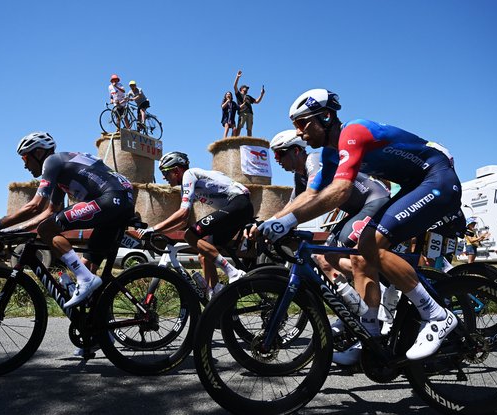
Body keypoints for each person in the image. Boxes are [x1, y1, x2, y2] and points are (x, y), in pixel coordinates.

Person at [250, 88, 462, 362]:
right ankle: (370, 337)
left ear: (325, 117)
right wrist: (274, 221)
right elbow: (310, 195)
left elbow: (339, 191)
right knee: (362, 256)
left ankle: (436, 314)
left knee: (370, 243)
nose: (300, 133)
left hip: (437, 179)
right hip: (413, 185)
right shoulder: (329, 154)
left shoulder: (354, 132)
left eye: (303, 124)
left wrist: (288, 221)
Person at [0, 132, 136, 313]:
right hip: (120, 201)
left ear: (39, 152)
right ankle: (101, 332)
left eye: (25, 157)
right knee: (86, 266)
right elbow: (51, 211)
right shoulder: (62, 171)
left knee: (48, 229)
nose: (24, 165)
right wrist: (13, 231)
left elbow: (35, 207)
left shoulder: (52, 161)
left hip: (111, 199)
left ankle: (86, 280)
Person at [270, 129, 391, 365]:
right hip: (358, 209)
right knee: (326, 258)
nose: (277, 161)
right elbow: (295, 204)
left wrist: (276, 222)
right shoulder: (299, 176)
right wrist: (274, 222)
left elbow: (313, 199)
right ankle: (360, 304)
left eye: (280, 154)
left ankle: (371, 318)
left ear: (296, 150)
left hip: (374, 200)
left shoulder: (314, 160)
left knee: (353, 259)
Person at [138, 152, 253, 299]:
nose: (163, 177)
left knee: (190, 235)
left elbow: (183, 213)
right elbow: (183, 222)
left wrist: (154, 229)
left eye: (165, 172)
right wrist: (161, 232)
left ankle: (233, 272)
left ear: (176, 170)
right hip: (239, 207)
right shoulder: (190, 180)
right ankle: (214, 295)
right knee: (204, 254)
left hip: (239, 203)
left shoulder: (189, 175)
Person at [233, 70, 265, 137]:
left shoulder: (248, 96)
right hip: (242, 112)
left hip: (250, 113)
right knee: (240, 127)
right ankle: (236, 140)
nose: (247, 89)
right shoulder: (238, 94)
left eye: (247, 89)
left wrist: (262, 94)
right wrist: (237, 77)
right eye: (245, 88)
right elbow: (235, 86)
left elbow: (257, 101)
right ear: (241, 89)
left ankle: (249, 141)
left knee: (249, 129)